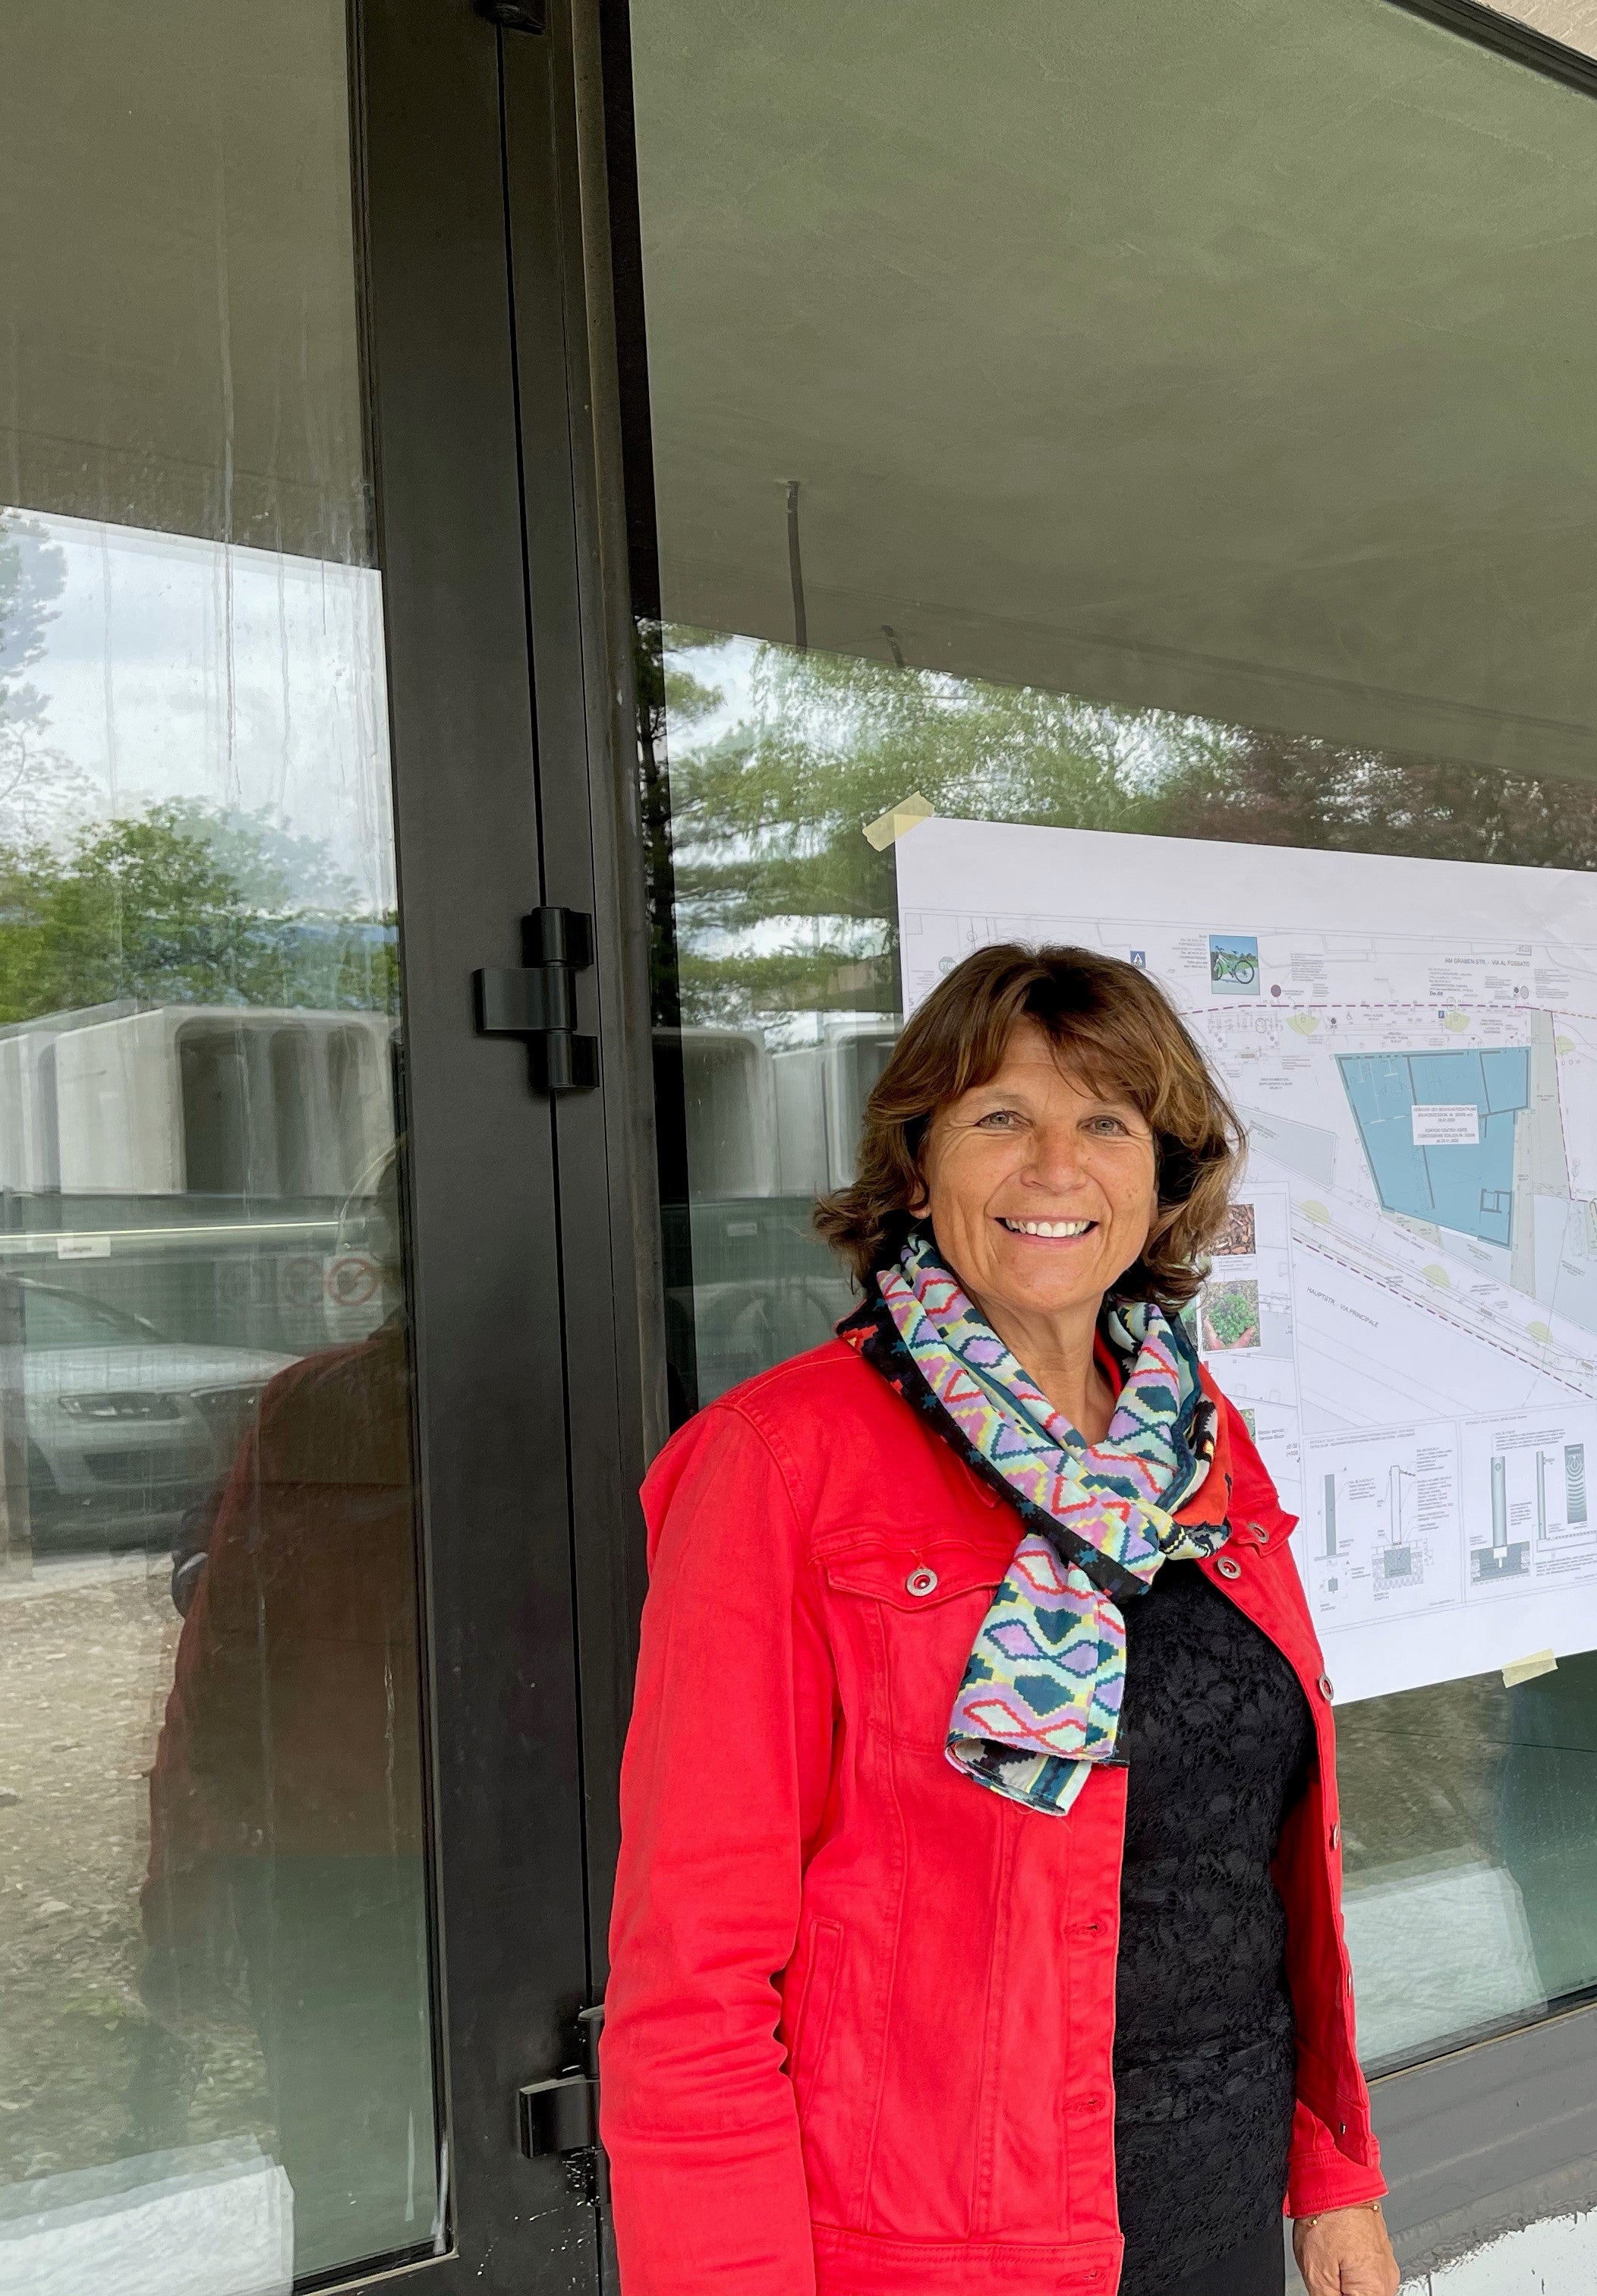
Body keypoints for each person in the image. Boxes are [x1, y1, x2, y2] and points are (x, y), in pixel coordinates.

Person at [603, 944, 1399, 2296]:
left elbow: (1266, 1863)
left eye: (1106, 1120)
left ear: (1166, 1173)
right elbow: (695, 1968)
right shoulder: (780, 1461)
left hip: (1215, 2203)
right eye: (999, 1119)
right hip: (944, 2247)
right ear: (919, 1168)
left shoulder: (1197, 1443)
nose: (1055, 1166)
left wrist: (1332, 2179)